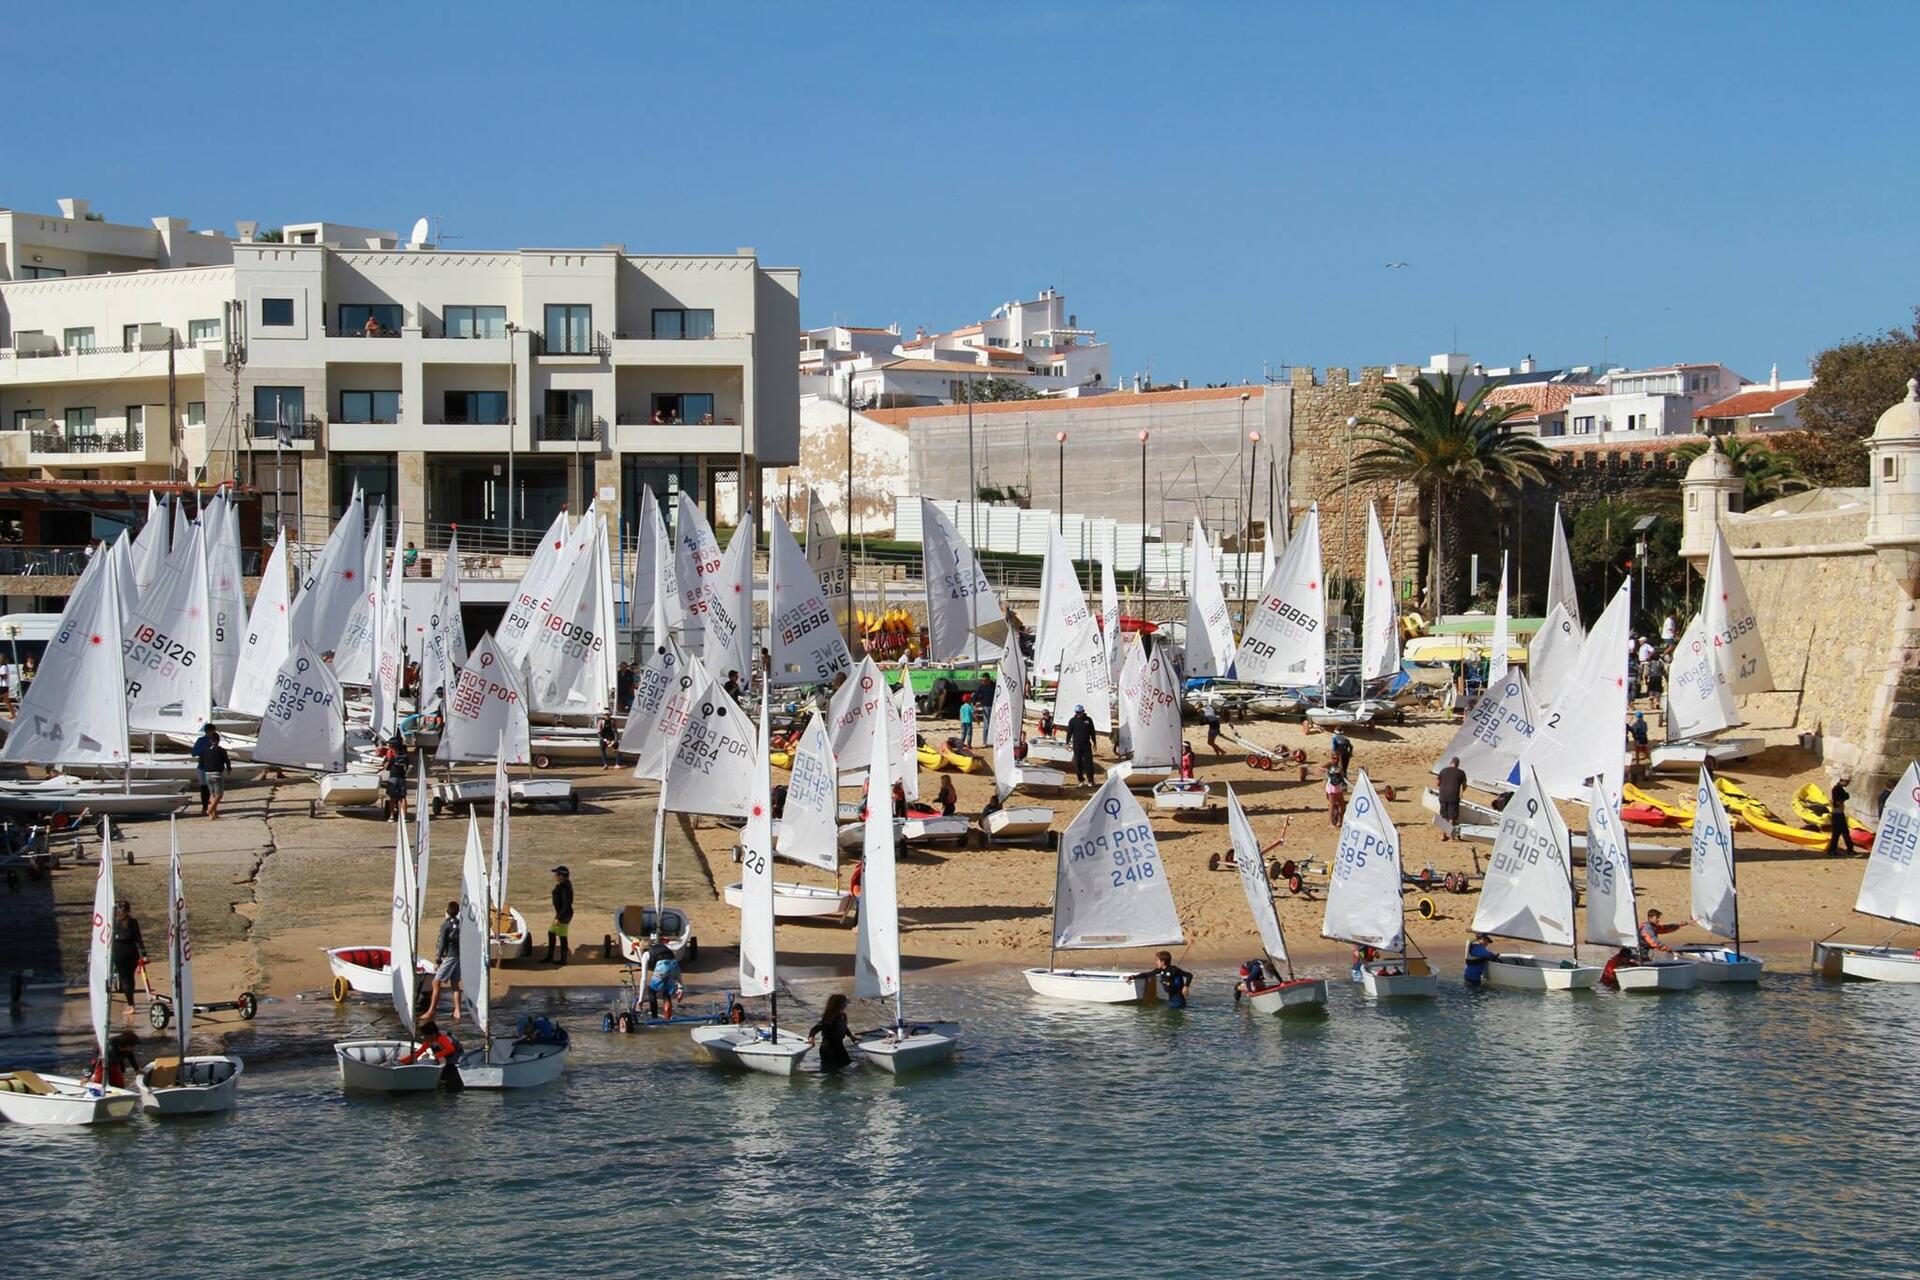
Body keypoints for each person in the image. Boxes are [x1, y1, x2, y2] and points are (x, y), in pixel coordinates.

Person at [425, 901, 463, 1021]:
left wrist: (438, 961)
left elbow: (441, 945)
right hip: (459, 956)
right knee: (455, 984)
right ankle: (457, 1011)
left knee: (436, 982)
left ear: (447, 911)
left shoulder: (446, 925)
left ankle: (431, 1011)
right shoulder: (460, 923)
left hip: (450, 956)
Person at [112, 900, 147, 1018]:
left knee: (125, 980)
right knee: (129, 979)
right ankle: (131, 1003)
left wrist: (143, 953)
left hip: (122, 953)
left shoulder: (117, 922)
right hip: (131, 953)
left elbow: (138, 938)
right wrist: (143, 953)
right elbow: (138, 938)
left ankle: (131, 1004)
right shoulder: (132, 922)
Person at [808, 992, 858, 1070]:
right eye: (845, 1003)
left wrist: (851, 1036)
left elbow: (844, 1028)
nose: (846, 1005)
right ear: (839, 1005)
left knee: (846, 1064)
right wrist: (811, 1037)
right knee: (831, 1070)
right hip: (828, 1048)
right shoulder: (829, 1017)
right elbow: (815, 1028)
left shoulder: (843, 1016)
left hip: (839, 1045)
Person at [1128, 951, 1193, 1008]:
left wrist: (1185, 987)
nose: (1156, 962)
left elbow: (1189, 975)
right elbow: (1148, 974)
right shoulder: (1160, 970)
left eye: (1157, 960)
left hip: (1178, 1000)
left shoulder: (1174, 970)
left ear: (1163, 962)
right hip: (1171, 998)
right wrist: (1133, 977)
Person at [544, 865, 574, 964]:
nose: (555, 876)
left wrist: (558, 917)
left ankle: (563, 959)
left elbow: (566, 904)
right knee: (551, 933)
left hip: (564, 914)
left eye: (557, 874)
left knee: (562, 936)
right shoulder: (563, 885)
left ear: (562, 876)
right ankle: (550, 956)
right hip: (562, 913)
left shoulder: (564, 887)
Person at [646, 944, 683, 1021]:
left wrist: (640, 1000)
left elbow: (643, 978)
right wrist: (681, 988)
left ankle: (654, 1018)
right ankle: (667, 1020)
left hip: (662, 966)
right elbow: (678, 970)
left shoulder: (647, 953)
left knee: (652, 992)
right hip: (673, 965)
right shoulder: (662, 947)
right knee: (667, 994)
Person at [1436, 755, 1468, 842]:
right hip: (1453, 797)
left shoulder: (1443, 770)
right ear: (1458, 764)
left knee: (1444, 816)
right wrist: (1462, 790)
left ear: (1451, 763)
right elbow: (1464, 786)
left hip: (1443, 796)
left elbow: (1437, 783)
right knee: (1452, 817)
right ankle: (1450, 836)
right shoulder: (1461, 773)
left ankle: (1443, 835)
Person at [201, 731, 232, 820]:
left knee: (212, 794)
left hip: (207, 774)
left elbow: (201, 762)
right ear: (218, 740)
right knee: (219, 795)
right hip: (217, 774)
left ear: (210, 741)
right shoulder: (221, 750)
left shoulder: (205, 750)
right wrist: (229, 769)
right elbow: (227, 761)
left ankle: (213, 815)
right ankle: (210, 810)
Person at [1066, 704, 1097, 786]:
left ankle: (1090, 780)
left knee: (1088, 763)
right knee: (1078, 763)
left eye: (1079, 712)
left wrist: (1095, 742)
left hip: (1086, 744)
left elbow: (1092, 732)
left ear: (1083, 711)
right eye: (1076, 712)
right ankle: (1081, 780)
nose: (1078, 714)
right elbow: (1069, 732)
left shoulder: (1088, 720)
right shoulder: (1072, 721)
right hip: (1077, 745)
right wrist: (1067, 743)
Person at [190, 722, 217, 814]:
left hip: (212, 767)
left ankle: (211, 809)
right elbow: (193, 753)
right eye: (213, 731)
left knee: (212, 789)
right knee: (204, 788)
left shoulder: (215, 740)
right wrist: (206, 750)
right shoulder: (201, 740)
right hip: (202, 767)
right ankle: (204, 808)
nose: (214, 733)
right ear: (208, 731)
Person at [1828, 777, 1856, 856]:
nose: (1848, 783)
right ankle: (1849, 850)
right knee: (1842, 833)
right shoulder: (1838, 789)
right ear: (1842, 781)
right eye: (1847, 782)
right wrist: (1845, 796)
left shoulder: (1838, 788)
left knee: (1839, 833)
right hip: (1838, 814)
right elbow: (1843, 797)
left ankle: (1834, 850)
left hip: (1838, 813)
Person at [383, 747, 408, 823]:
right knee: (403, 797)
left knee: (392, 797)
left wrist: (386, 762)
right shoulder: (406, 758)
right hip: (402, 778)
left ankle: (392, 816)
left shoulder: (393, 757)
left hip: (393, 778)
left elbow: (387, 768)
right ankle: (404, 817)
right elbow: (406, 768)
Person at [1325, 760, 1348, 827]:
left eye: (1337, 758)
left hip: (1338, 787)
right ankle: (1330, 823)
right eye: (1334, 758)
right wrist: (1328, 771)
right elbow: (1321, 768)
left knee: (1342, 804)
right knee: (1332, 805)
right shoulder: (1330, 764)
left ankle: (1339, 821)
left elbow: (1343, 775)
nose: (1336, 760)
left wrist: (1340, 772)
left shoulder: (1340, 766)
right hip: (1331, 787)